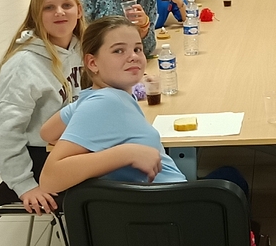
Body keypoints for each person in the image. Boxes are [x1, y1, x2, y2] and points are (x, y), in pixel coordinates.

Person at [38, 16, 249, 195]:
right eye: (118, 51)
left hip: (157, 199)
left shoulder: (93, 98)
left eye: (137, 49)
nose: (133, 57)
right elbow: (49, 179)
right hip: (171, 203)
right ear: (92, 63)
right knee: (232, 179)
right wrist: (126, 153)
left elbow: (47, 132)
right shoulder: (106, 102)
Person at [0, 0, 85, 215]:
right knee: (122, 172)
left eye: (66, 5)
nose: (59, 12)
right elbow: (5, 132)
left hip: (72, 145)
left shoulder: (81, 48)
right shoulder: (23, 64)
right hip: (41, 158)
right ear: (36, 16)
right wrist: (24, 185)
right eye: (49, 7)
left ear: (79, 10)